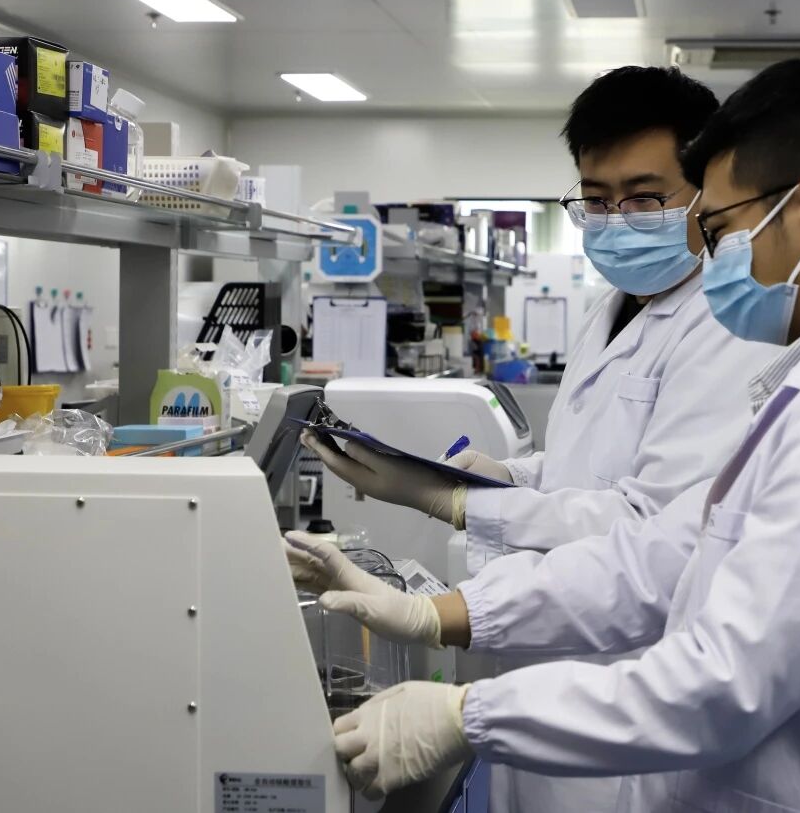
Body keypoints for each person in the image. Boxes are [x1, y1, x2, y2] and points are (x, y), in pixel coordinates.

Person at [289, 57, 800, 812]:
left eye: (722, 229)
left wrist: (469, 715)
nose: (716, 258)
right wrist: (438, 613)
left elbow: (723, 682)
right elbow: (661, 556)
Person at [302, 66, 774, 811]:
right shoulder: (612, 307)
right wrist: (507, 476)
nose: (616, 220)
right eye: (596, 199)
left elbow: (652, 532)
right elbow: (589, 468)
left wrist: (459, 507)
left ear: (705, 192)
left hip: (625, 692)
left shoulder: (725, 326)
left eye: (643, 197)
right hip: (550, 663)